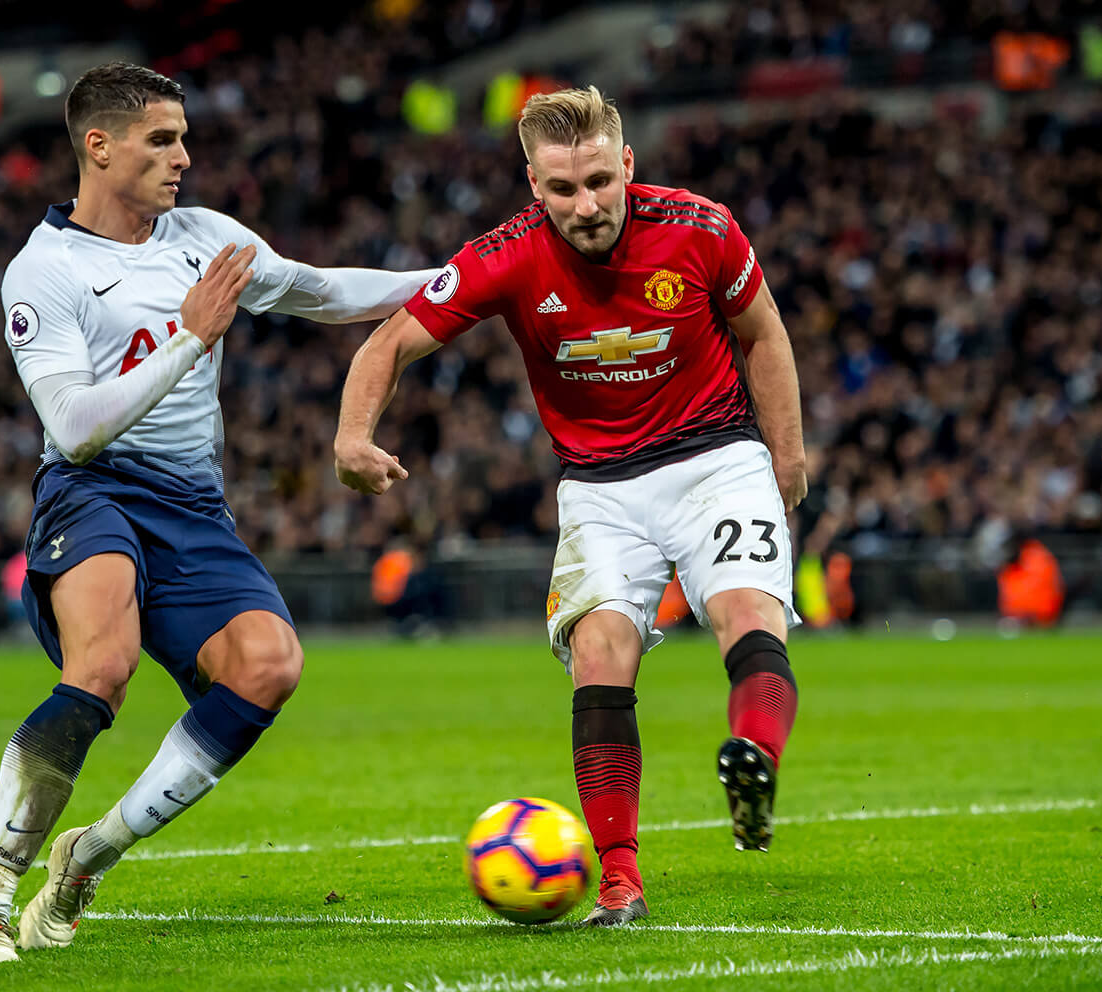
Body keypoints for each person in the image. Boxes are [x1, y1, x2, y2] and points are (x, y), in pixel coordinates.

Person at [0, 62, 434, 962]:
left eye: (183, 137)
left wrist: (464, 277)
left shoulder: (206, 237)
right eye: (162, 139)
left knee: (270, 665)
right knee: (104, 666)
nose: (184, 157)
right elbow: (75, 427)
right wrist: (192, 336)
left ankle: (89, 854)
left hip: (194, 504)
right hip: (93, 493)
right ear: (99, 145)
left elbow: (320, 291)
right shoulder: (42, 272)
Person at [334, 87, 807, 927]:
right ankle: (619, 883)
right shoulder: (504, 255)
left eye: (598, 180)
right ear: (533, 185)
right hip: (599, 487)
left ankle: (753, 760)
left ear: (627, 164)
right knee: (600, 656)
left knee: (744, 613)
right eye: (562, 189)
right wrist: (352, 436)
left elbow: (763, 332)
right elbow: (390, 340)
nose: (585, 205)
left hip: (716, 459)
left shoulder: (700, 228)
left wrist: (789, 455)